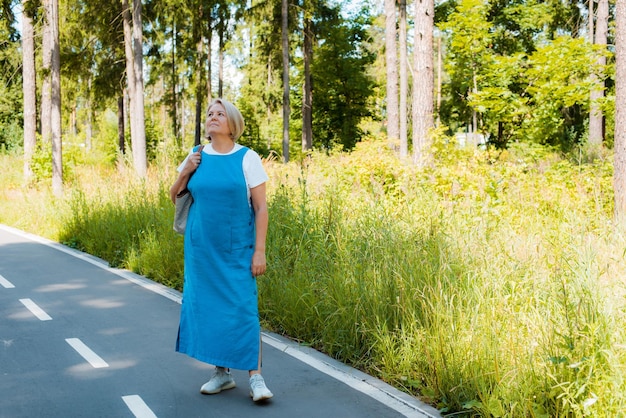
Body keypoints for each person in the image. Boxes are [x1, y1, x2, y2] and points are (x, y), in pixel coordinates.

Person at [169, 98, 273, 402]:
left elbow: (261, 207)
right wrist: (185, 170)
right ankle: (222, 373)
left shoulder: (247, 157)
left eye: (220, 114)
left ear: (232, 124)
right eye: (210, 113)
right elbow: (174, 196)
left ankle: (256, 378)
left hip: (237, 249)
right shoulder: (196, 155)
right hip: (201, 250)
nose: (213, 117)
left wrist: (260, 250)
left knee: (242, 309)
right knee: (210, 308)